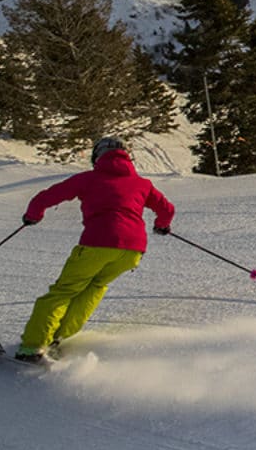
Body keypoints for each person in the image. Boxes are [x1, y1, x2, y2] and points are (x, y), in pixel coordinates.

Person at [15, 136, 173, 362]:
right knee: (95, 287)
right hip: (132, 251)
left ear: (97, 156)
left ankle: (32, 346)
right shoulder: (143, 184)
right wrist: (161, 226)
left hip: (97, 244)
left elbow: (45, 197)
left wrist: (32, 216)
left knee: (63, 291)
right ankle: (58, 337)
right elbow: (167, 209)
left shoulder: (89, 179)